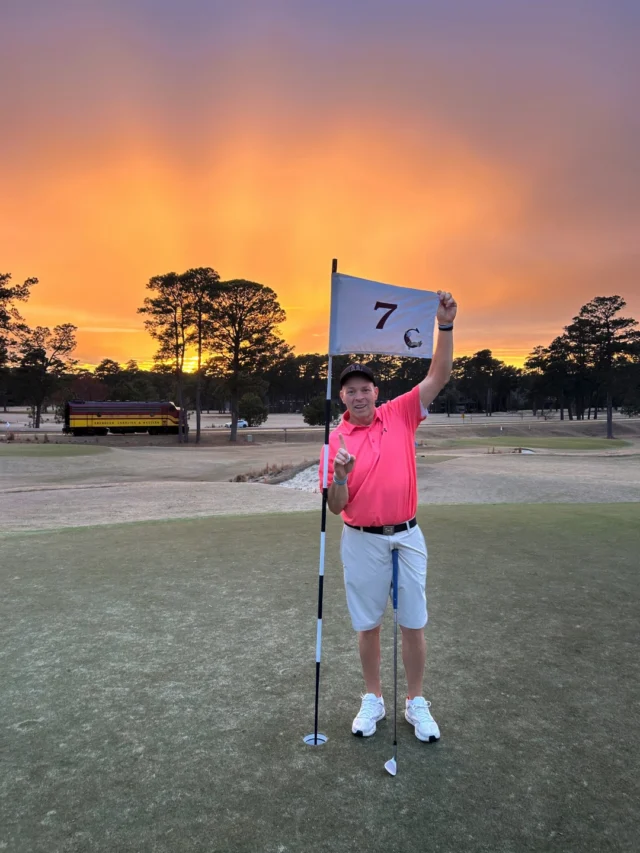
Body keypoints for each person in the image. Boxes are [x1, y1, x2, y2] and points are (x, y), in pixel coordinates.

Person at [320, 290, 457, 742]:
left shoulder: (400, 413)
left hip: (408, 533)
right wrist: (340, 475)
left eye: (366, 389)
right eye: (351, 390)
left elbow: (439, 373)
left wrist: (445, 325)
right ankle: (373, 698)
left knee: (413, 621)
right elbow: (336, 506)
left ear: (376, 392)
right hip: (361, 539)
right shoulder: (334, 442)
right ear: (342, 395)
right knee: (368, 624)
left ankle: (416, 702)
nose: (359, 396)